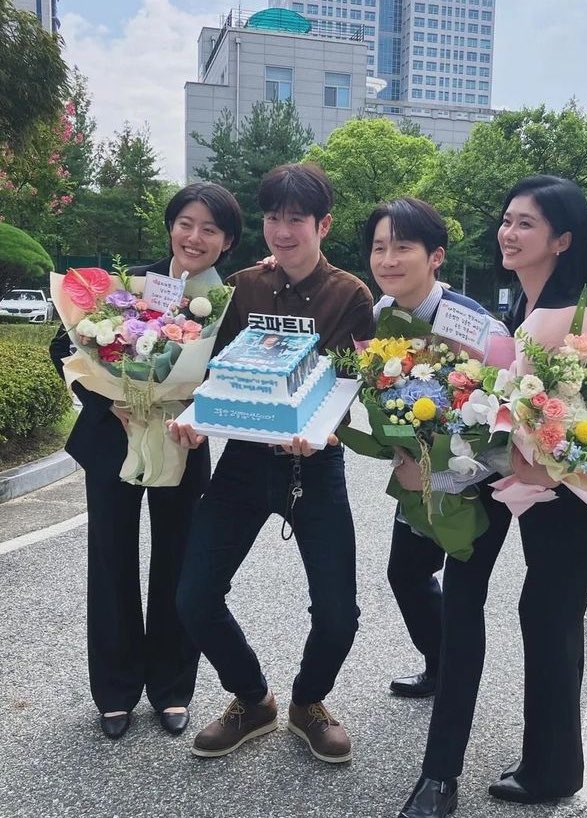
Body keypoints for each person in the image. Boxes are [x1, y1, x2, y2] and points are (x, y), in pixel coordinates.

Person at [396, 176, 587, 817]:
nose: (508, 234)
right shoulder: (538, 307)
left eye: (526, 225)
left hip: (573, 504)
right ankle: (554, 765)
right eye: (507, 220)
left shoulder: (552, 317)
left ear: (562, 241)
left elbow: (527, 429)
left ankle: (551, 771)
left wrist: (442, 460)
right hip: (561, 500)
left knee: (548, 621)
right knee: (550, 622)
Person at [171, 163, 375, 765]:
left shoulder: (350, 296)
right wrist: (192, 414)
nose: (282, 232)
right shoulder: (244, 288)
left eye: (296, 219)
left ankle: (310, 703)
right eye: (272, 218)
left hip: (313, 468)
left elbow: (353, 381)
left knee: (339, 612)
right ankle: (252, 699)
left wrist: (324, 432)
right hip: (241, 464)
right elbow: (211, 372)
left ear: (322, 225)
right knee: (194, 596)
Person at [49, 182, 243, 740]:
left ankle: (172, 687)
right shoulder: (126, 286)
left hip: (183, 439)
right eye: (186, 222)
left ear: (227, 241)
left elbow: (233, 375)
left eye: (210, 228)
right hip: (113, 438)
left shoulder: (227, 305)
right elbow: (65, 347)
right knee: (110, 559)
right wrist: (108, 398)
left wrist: (200, 411)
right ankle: (114, 689)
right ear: (170, 226)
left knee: (180, 560)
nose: (195, 236)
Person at [361, 197, 510, 703]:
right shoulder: (383, 313)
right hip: (418, 474)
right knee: (405, 572)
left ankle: (456, 687)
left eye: (403, 247)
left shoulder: (473, 325)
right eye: (379, 248)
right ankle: (439, 664)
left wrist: (435, 476)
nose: (388, 260)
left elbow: (501, 427)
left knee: (466, 595)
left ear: (437, 256)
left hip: (475, 483)